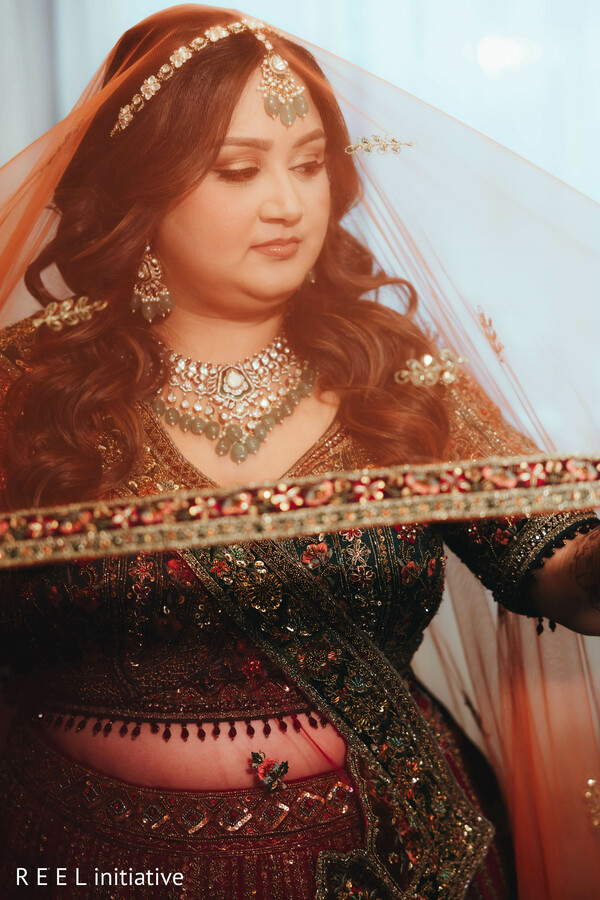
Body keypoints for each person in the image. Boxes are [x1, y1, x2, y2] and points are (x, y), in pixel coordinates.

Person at [0, 6, 598, 898]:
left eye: (311, 164)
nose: (290, 204)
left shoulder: (393, 376)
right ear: (144, 191)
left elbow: (557, 566)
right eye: (239, 170)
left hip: (400, 863)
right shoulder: (33, 387)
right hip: (88, 859)